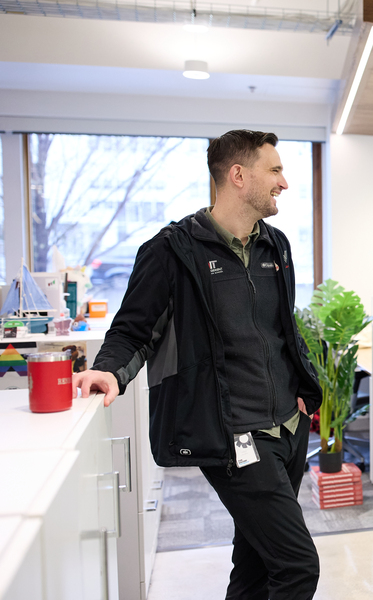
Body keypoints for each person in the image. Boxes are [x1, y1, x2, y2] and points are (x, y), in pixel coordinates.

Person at [74, 129, 323, 600]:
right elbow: (132, 330)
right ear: (238, 176)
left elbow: (281, 330)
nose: (284, 182)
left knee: (256, 565)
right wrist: (109, 370)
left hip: (288, 430)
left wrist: (301, 394)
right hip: (233, 438)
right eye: (274, 170)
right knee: (297, 566)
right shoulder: (172, 251)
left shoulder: (277, 246)